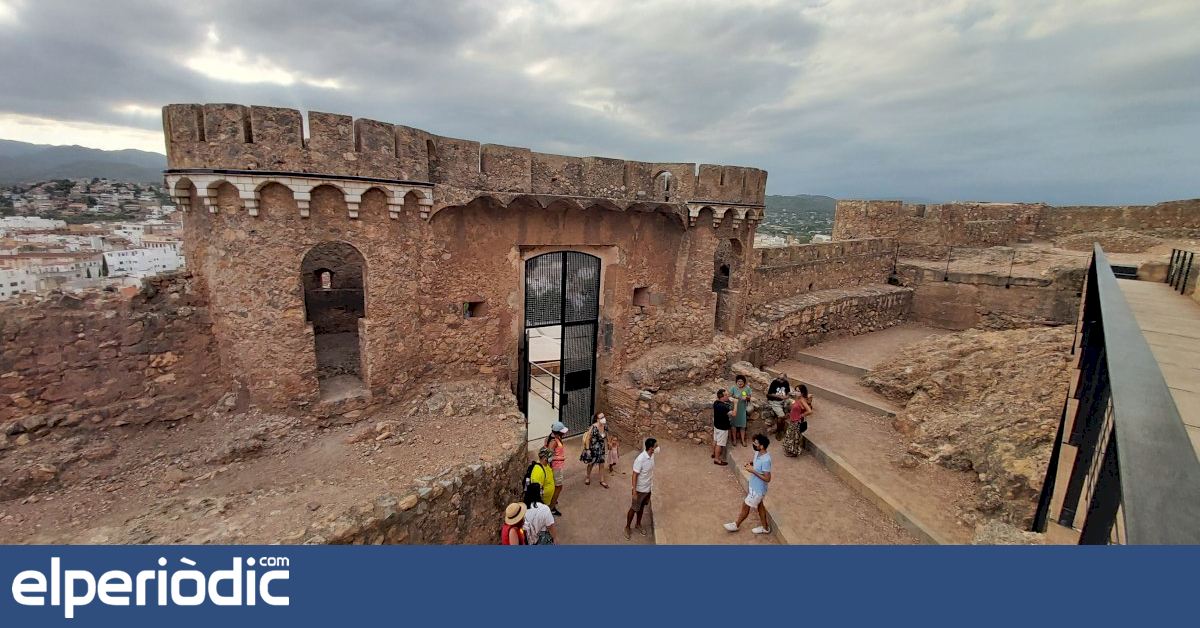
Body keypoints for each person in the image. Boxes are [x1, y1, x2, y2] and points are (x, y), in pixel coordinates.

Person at [724, 434, 773, 535]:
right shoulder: (757, 453)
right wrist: (751, 463)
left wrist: (753, 471)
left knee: (745, 506)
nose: (753, 444)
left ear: (762, 446)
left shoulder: (766, 460)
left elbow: (767, 478)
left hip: (758, 490)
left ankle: (736, 524)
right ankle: (765, 528)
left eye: (756, 443)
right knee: (760, 505)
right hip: (753, 486)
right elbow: (756, 463)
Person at [624, 437, 657, 540]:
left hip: (647, 488)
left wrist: (650, 489)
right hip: (639, 490)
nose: (657, 448)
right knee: (634, 508)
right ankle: (627, 527)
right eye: (656, 446)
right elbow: (634, 475)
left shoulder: (652, 455)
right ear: (651, 448)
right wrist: (634, 491)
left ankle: (638, 524)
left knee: (642, 507)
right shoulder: (640, 459)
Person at [544, 421, 569, 515]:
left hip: (554, 467)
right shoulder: (554, 442)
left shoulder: (550, 437)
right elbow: (548, 457)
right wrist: (561, 458)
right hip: (556, 467)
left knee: (555, 485)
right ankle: (551, 508)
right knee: (558, 487)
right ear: (558, 432)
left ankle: (552, 500)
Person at [580, 412, 609, 488]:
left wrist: (609, 443)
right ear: (597, 419)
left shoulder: (605, 425)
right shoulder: (593, 427)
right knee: (591, 464)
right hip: (593, 449)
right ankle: (587, 477)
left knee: (602, 464)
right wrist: (587, 449)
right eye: (601, 417)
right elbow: (588, 438)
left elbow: (606, 434)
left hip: (601, 448)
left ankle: (602, 480)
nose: (603, 418)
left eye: (603, 416)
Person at [783, 384, 813, 457]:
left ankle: (794, 452)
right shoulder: (798, 398)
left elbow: (809, 411)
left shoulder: (802, 400)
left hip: (797, 422)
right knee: (791, 436)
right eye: (796, 390)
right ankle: (792, 450)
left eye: (798, 391)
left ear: (802, 393)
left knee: (795, 437)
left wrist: (801, 415)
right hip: (793, 420)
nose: (796, 392)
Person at [766, 373, 792, 439]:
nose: (779, 380)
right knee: (781, 417)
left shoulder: (786, 383)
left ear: (785, 379)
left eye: (781, 379)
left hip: (783, 400)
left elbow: (788, 393)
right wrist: (778, 396)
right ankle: (779, 431)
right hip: (775, 401)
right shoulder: (774, 382)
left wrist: (786, 397)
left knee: (794, 404)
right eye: (778, 378)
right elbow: (769, 394)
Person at [712, 388, 734, 465]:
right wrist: (736, 403)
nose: (728, 396)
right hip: (722, 428)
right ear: (722, 397)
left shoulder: (716, 403)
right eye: (726, 395)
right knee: (720, 444)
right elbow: (734, 414)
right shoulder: (724, 407)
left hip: (716, 426)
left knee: (715, 440)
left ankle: (713, 453)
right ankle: (717, 459)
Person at [729, 375, 753, 447]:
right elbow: (729, 396)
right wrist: (734, 397)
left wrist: (746, 398)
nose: (740, 383)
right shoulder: (733, 388)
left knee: (743, 425)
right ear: (736, 382)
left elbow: (750, 397)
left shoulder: (747, 388)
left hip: (742, 409)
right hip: (735, 408)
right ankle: (734, 440)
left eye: (741, 381)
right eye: (738, 381)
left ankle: (743, 440)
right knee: (733, 425)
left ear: (744, 382)